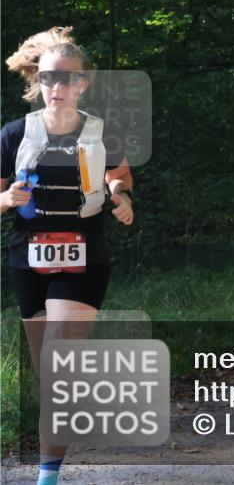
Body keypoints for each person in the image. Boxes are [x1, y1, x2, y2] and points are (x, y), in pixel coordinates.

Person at [0, 27, 134, 485]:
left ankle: (44, 482)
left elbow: (120, 174)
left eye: (66, 79)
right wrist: (7, 200)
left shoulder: (100, 131)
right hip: (28, 260)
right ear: (38, 82)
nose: (56, 88)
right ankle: (51, 471)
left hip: (83, 259)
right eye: (48, 78)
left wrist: (120, 196)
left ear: (82, 84)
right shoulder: (15, 133)